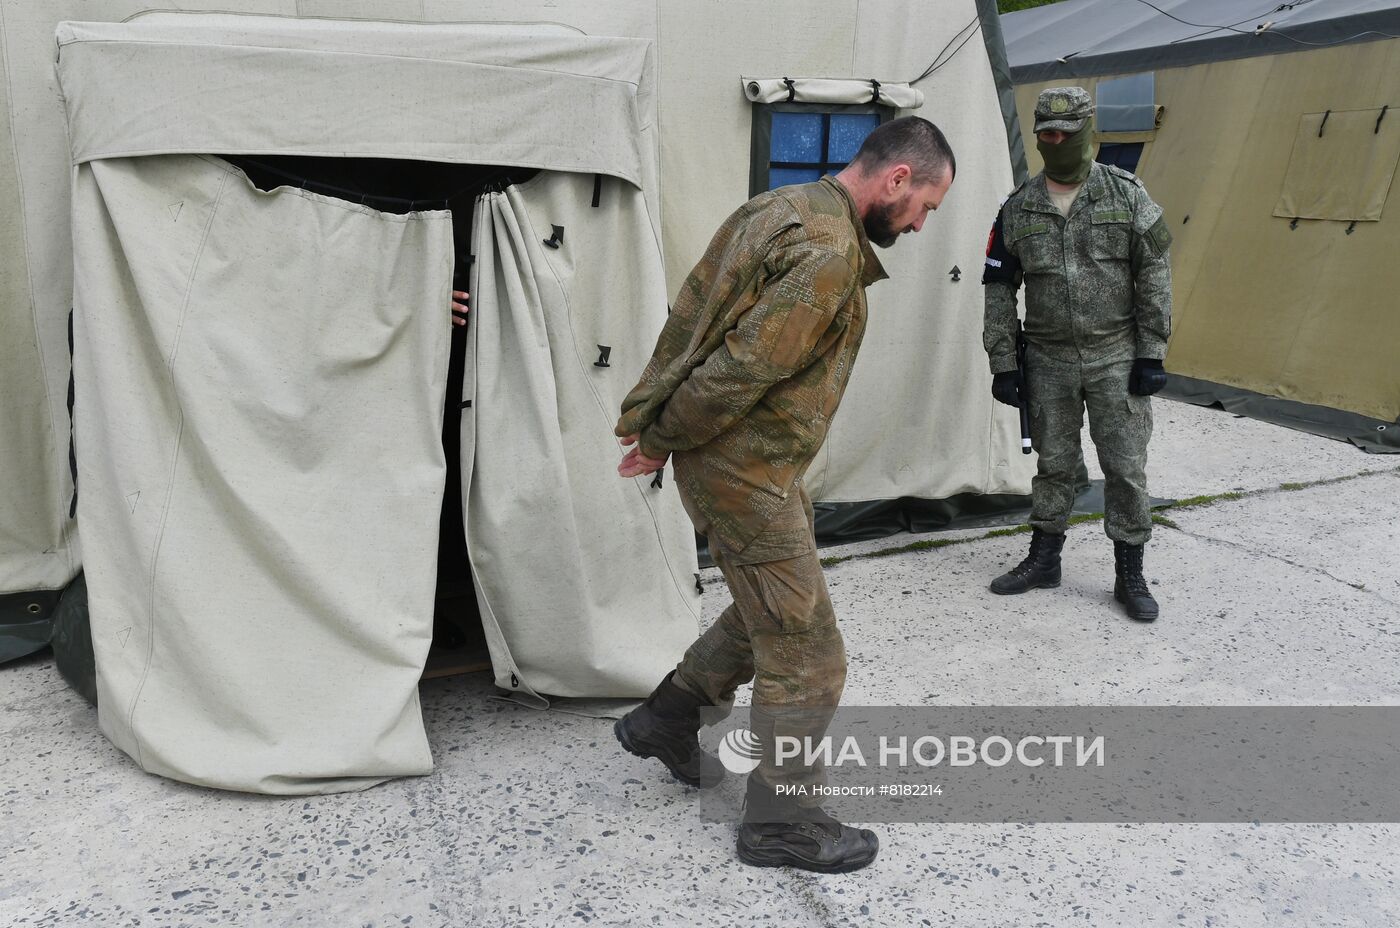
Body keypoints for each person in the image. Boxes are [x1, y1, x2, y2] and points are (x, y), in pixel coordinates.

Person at [610, 116, 956, 872]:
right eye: (925, 205)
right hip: (743, 468)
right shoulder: (830, 251)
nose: (922, 224)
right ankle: (781, 821)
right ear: (897, 179)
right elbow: (740, 366)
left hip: (751, 462)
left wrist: (665, 428)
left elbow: (702, 315)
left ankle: (669, 719)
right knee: (809, 650)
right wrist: (661, 439)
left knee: (761, 608)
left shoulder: (782, 208)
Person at [982, 87, 1173, 622]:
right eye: (1047, 133)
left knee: (1125, 467)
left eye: (1068, 132)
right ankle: (1044, 560)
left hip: (1117, 354)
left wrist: (1151, 352)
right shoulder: (1019, 207)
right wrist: (1003, 361)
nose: (1057, 141)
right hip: (1048, 360)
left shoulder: (1127, 195)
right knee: (1054, 465)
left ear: (1089, 132)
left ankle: (1129, 573)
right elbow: (998, 286)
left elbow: (1154, 270)